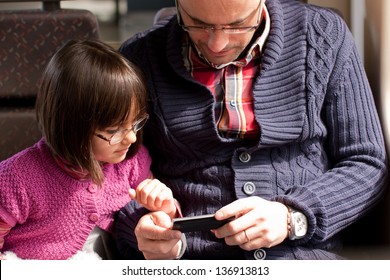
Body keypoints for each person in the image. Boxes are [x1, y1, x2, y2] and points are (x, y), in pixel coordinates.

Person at [115, 0, 388, 260]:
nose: (217, 43)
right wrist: (141, 228)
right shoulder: (139, 58)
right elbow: (105, 174)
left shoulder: (325, 36)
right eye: (197, 24)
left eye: (237, 25)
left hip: (302, 258)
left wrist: (293, 217)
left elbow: (367, 162)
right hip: (190, 263)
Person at [0, 40, 179, 260]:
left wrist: (165, 207)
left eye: (135, 123)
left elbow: (156, 218)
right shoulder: (17, 178)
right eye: (114, 130)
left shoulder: (131, 163)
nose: (132, 138)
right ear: (71, 126)